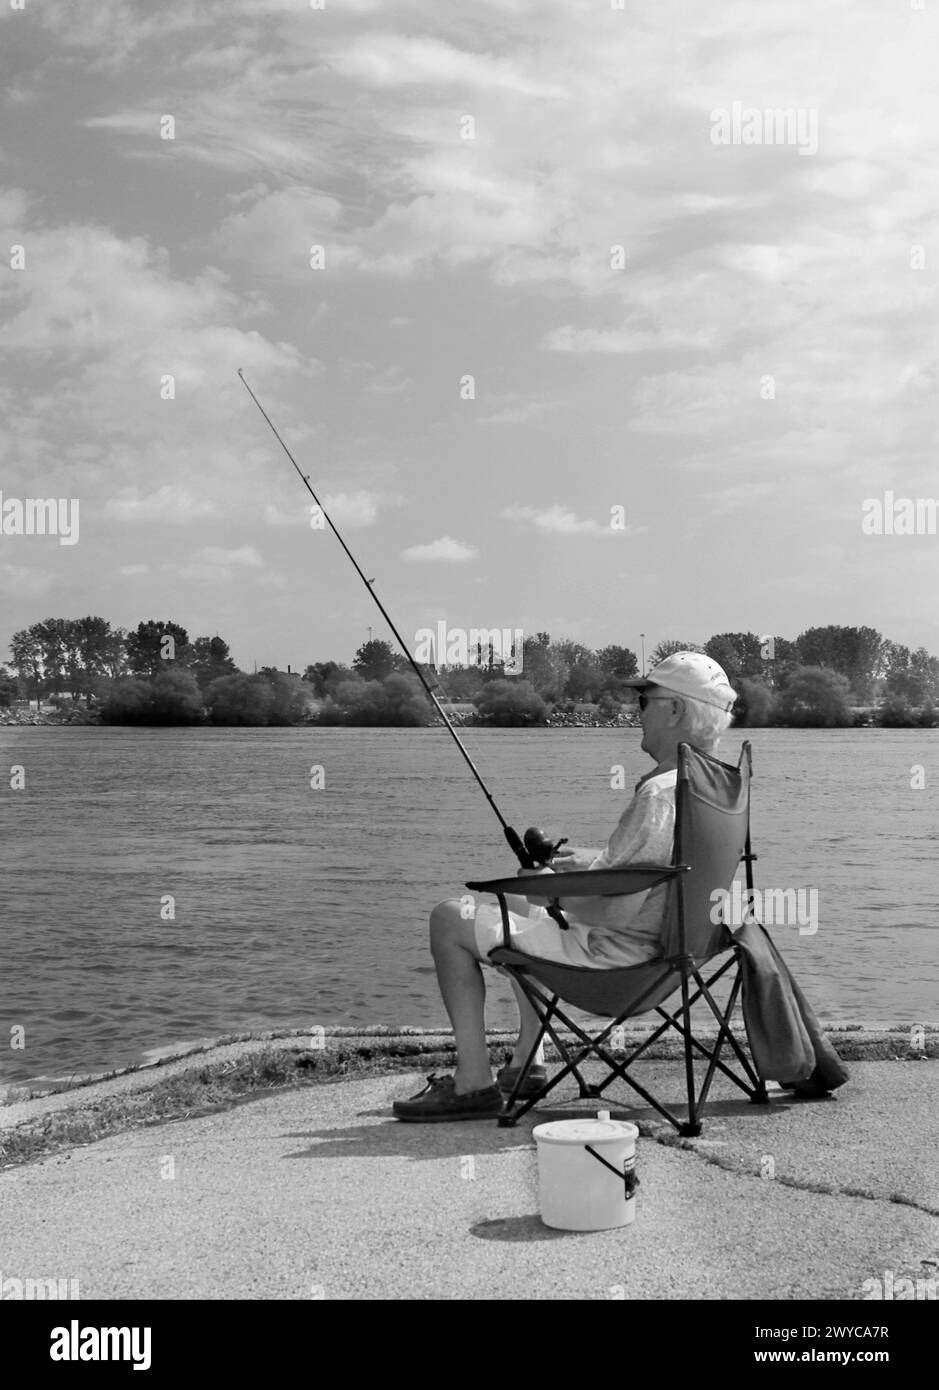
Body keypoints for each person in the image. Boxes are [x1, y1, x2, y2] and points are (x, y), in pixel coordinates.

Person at [393, 651, 738, 1121]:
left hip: (616, 967)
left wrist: (551, 889)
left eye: (644, 699)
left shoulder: (659, 795)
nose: (637, 710)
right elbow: (664, 871)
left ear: (675, 710)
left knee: (450, 918)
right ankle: (528, 1061)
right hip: (674, 959)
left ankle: (472, 1082)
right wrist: (592, 862)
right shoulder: (709, 784)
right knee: (516, 898)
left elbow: (615, 912)